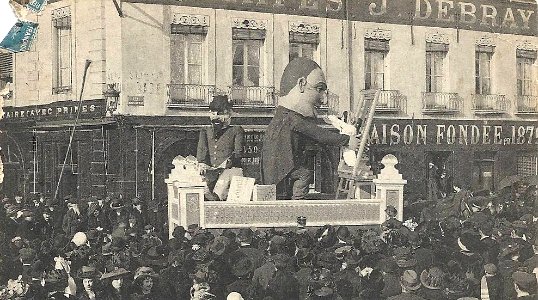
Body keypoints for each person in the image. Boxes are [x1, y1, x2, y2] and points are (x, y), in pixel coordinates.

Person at [261, 57, 354, 199]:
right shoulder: (291, 118)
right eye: (319, 89)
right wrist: (346, 140)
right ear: (301, 84)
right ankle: (298, 201)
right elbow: (317, 134)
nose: (323, 99)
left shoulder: (283, 117)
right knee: (305, 174)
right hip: (280, 170)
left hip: (277, 170)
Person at [197, 95, 244, 201]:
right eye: (213, 113)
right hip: (211, 173)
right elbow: (202, 154)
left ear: (229, 114)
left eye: (221, 113)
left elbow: (238, 153)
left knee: (223, 183)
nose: (216, 117)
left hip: (230, 171)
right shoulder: (205, 131)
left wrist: (224, 166)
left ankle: (215, 197)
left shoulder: (236, 130)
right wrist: (203, 166)